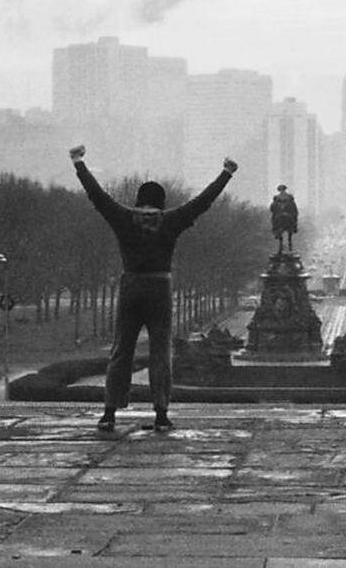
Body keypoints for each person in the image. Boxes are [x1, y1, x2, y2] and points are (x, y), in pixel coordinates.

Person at [70, 144, 237, 432]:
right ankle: (161, 413)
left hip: (131, 285)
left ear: (138, 199)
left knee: (122, 348)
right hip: (160, 286)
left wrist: (79, 163)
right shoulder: (171, 220)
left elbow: (97, 196)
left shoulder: (123, 217)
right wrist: (226, 173)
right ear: (161, 201)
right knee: (161, 351)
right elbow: (203, 202)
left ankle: (109, 413)